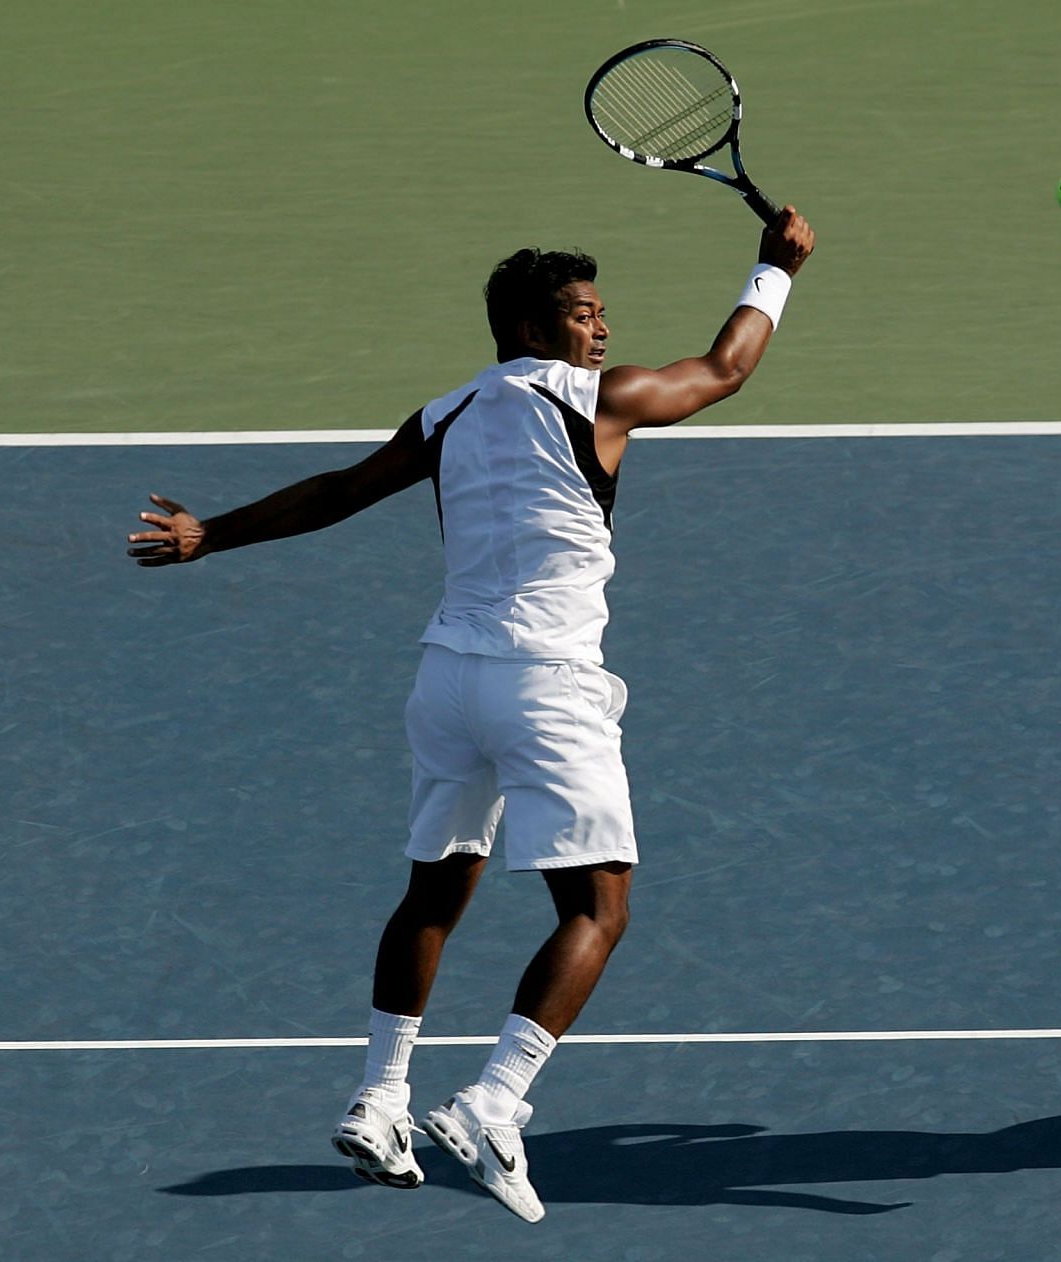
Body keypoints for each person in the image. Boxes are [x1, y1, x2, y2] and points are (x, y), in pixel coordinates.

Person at [126, 210, 817, 1218]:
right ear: (536, 329)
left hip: (449, 679)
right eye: (585, 315)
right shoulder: (598, 399)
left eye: (600, 313)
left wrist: (210, 534)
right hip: (548, 682)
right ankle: (494, 1100)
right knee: (598, 907)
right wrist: (776, 268)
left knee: (435, 890)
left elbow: (339, 490)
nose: (603, 330)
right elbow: (724, 370)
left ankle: (379, 1093)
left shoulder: (444, 413)